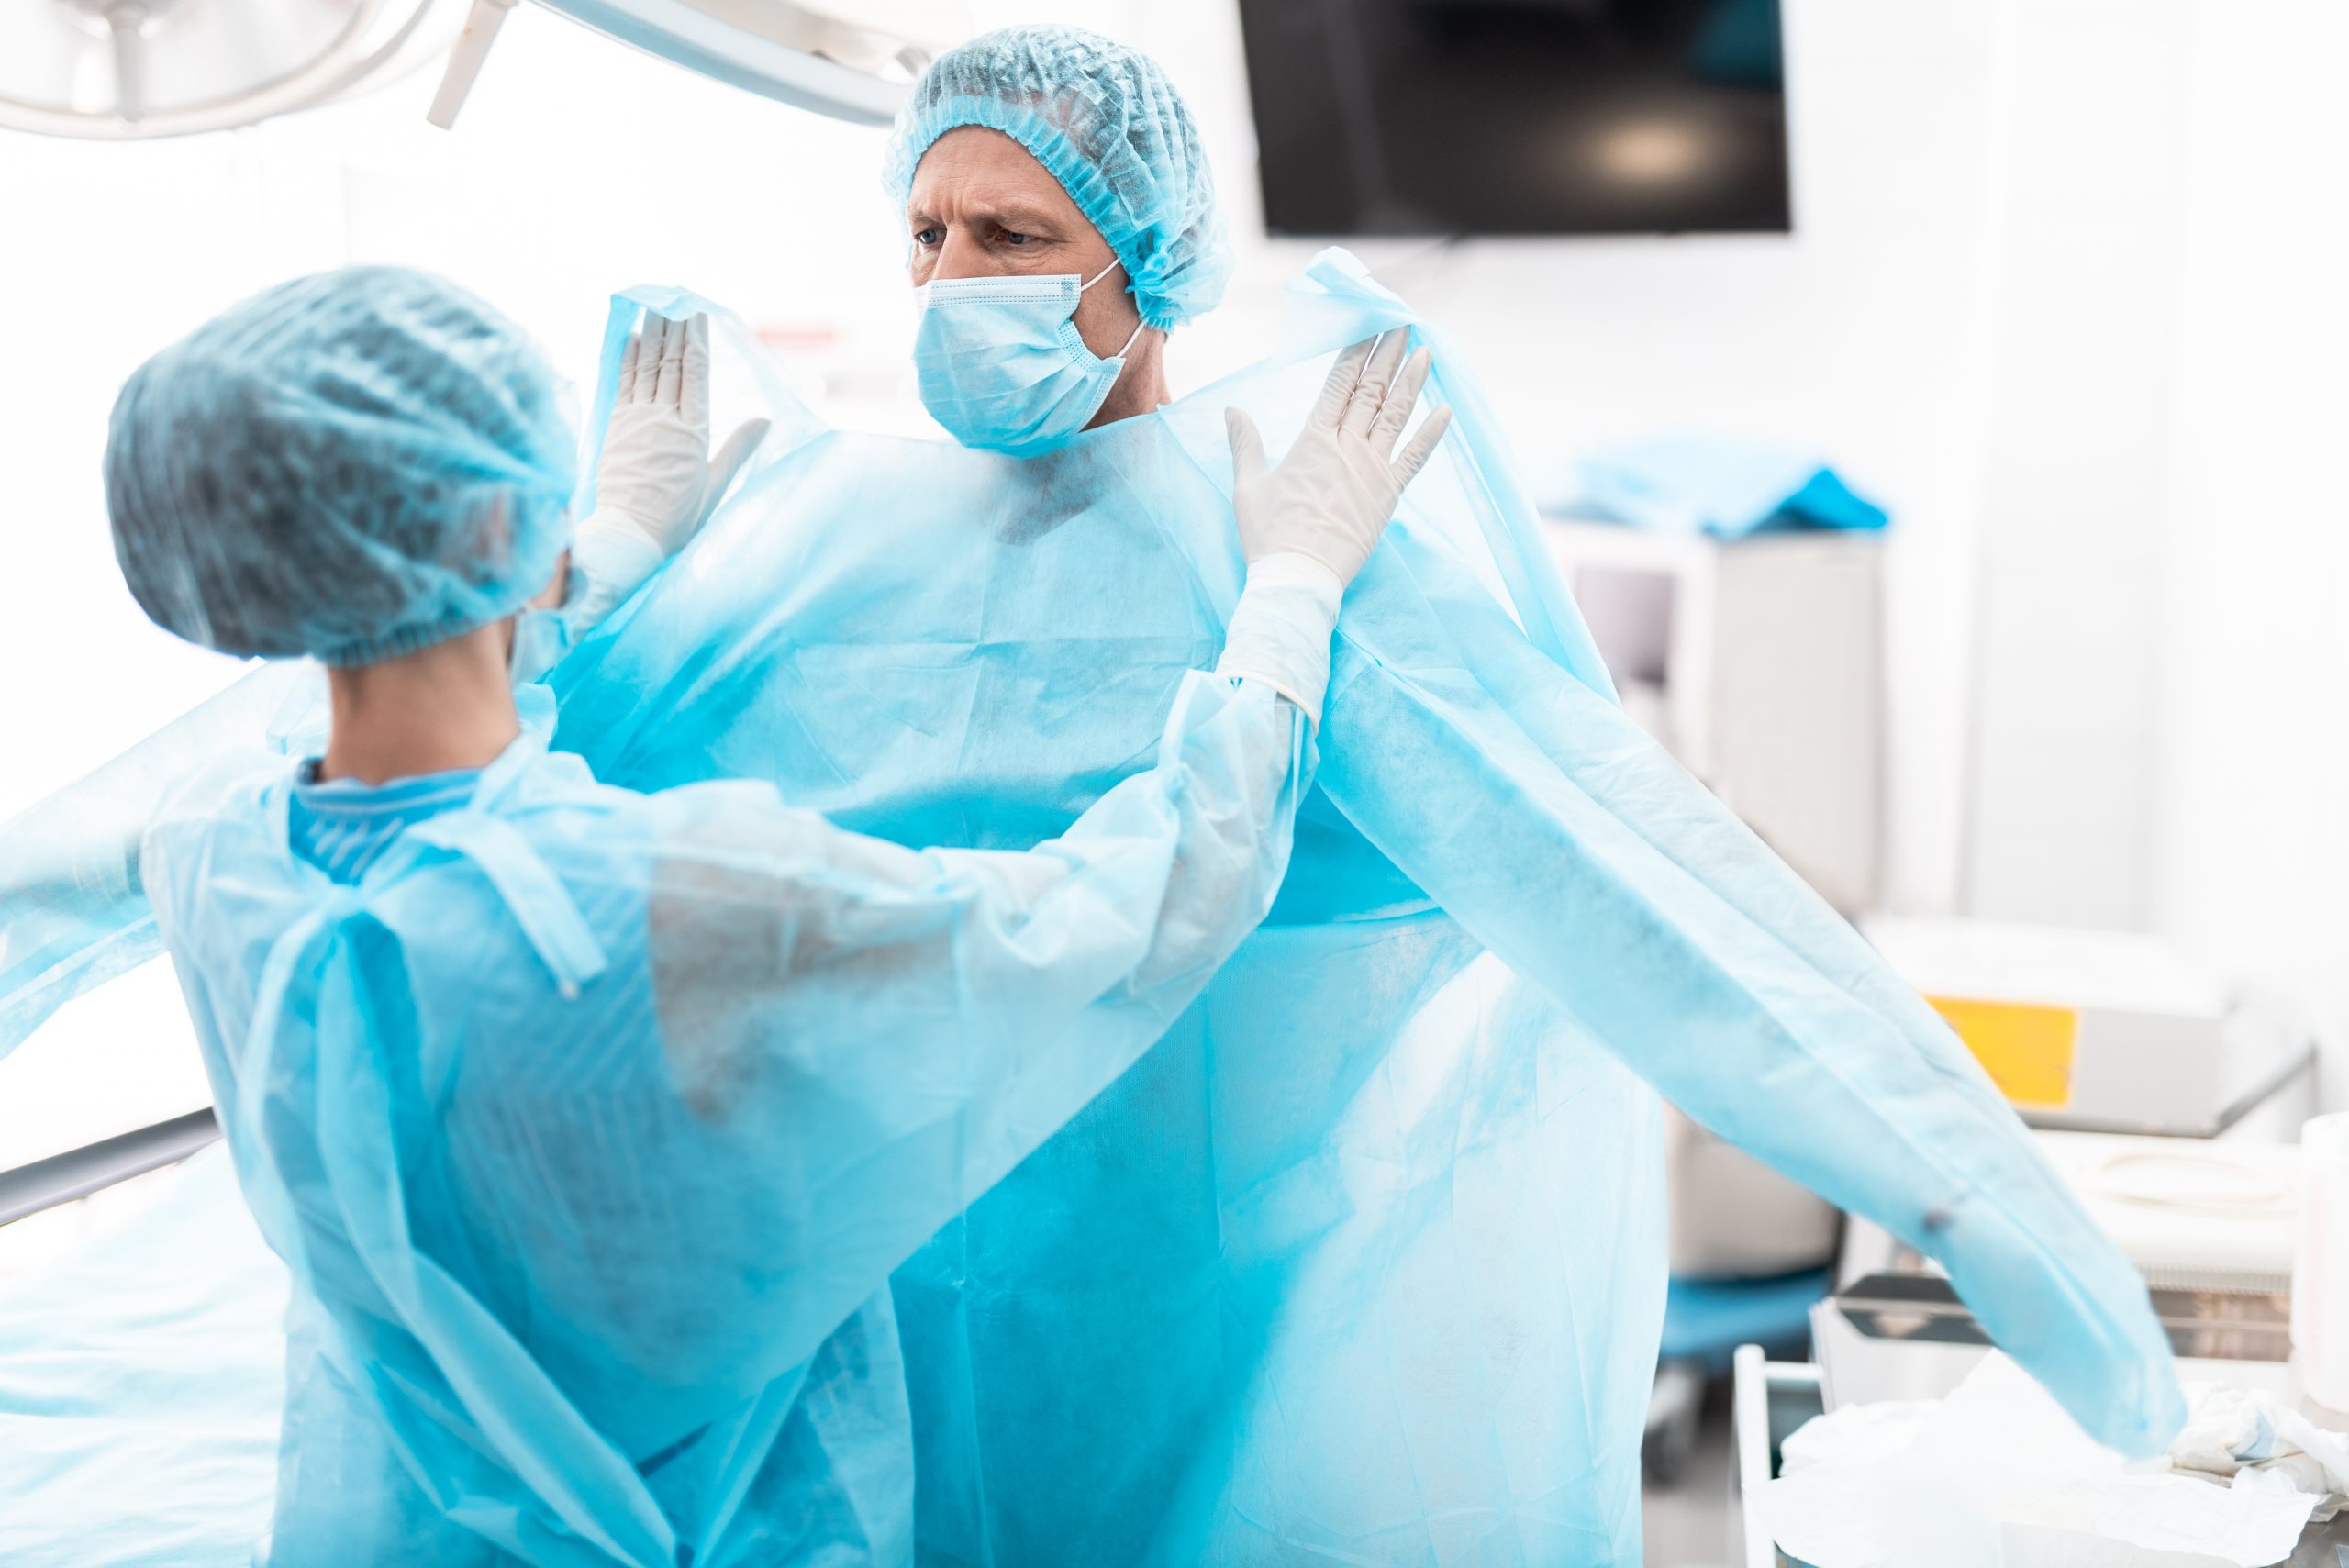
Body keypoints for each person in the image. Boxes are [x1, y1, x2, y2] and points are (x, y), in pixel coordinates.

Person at [0, 25, 2182, 1568]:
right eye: (924, 234)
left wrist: (2022, 1252)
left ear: (1150, 256)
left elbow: (1666, 909)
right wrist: (1273, 613)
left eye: (1008, 234)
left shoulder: (1259, 526)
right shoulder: (811, 564)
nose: (950, 285)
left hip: (1179, 1328)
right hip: (819, 1393)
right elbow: (1112, 903)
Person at [105, 264, 1445, 1565]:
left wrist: (602, 564)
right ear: (489, 529)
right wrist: (1293, 594)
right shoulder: (680, 896)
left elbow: (393, 750)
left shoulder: (209, 851)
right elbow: (1148, 898)